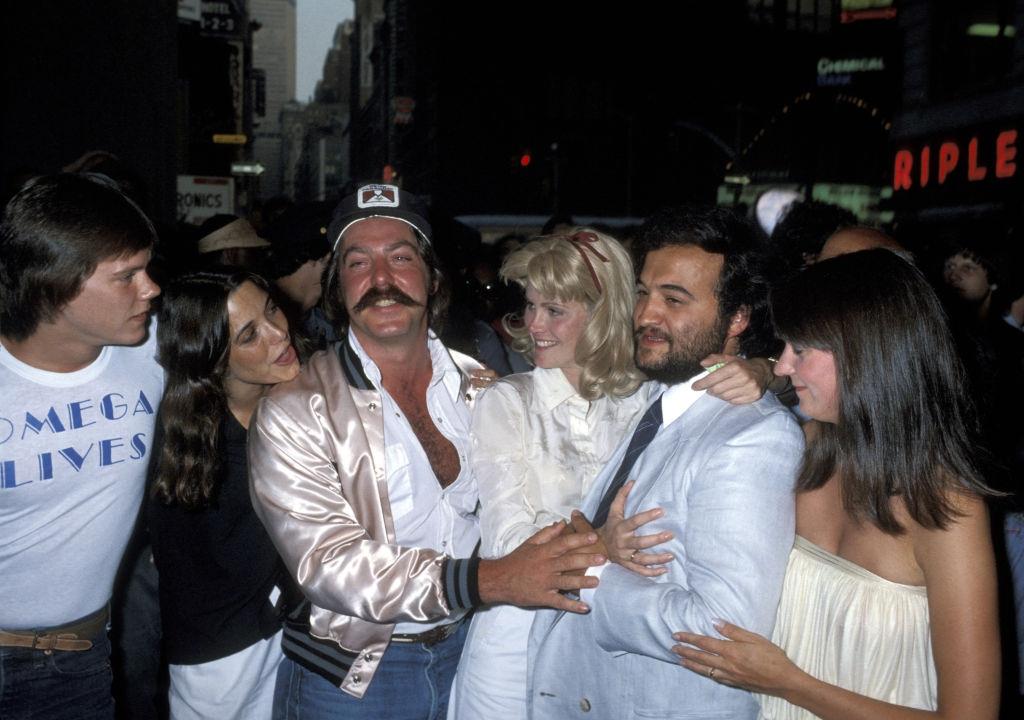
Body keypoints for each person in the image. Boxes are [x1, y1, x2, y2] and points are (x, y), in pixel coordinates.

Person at [246, 184, 605, 720]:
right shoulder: (297, 409)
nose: (381, 280)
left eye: (400, 257)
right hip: (352, 682)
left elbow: (601, 403)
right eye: (358, 262)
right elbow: (329, 565)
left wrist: (751, 372)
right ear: (336, 286)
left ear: (433, 277)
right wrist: (492, 579)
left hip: (470, 656)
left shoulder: (485, 387)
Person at [672, 249, 1001, 720]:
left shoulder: (945, 506)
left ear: (866, 353)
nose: (783, 365)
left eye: (799, 350)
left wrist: (788, 683)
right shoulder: (799, 451)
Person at [527, 205, 804, 719]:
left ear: (738, 317)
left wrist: (590, 567)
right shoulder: (660, 399)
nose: (646, 316)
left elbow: (723, 631)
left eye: (674, 300)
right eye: (641, 294)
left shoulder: (753, 439)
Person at [448, 229, 664, 719]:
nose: (534, 325)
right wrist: (605, 544)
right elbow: (508, 542)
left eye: (555, 310)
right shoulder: (508, 401)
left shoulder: (648, 402)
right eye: (531, 306)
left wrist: (756, 369)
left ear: (603, 314)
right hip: (514, 641)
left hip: (608, 640)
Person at [0, 173, 163, 719]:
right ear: (55, 284)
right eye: (127, 276)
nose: (151, 289)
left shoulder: (152, 348)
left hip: (78, 663)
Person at [148, 269, 302, 719]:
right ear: (214, 359)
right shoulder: (190, 444)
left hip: (289, 633)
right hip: (221, 660)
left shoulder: (300, 399)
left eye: (271, 308)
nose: (278, 333)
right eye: (250, 335)